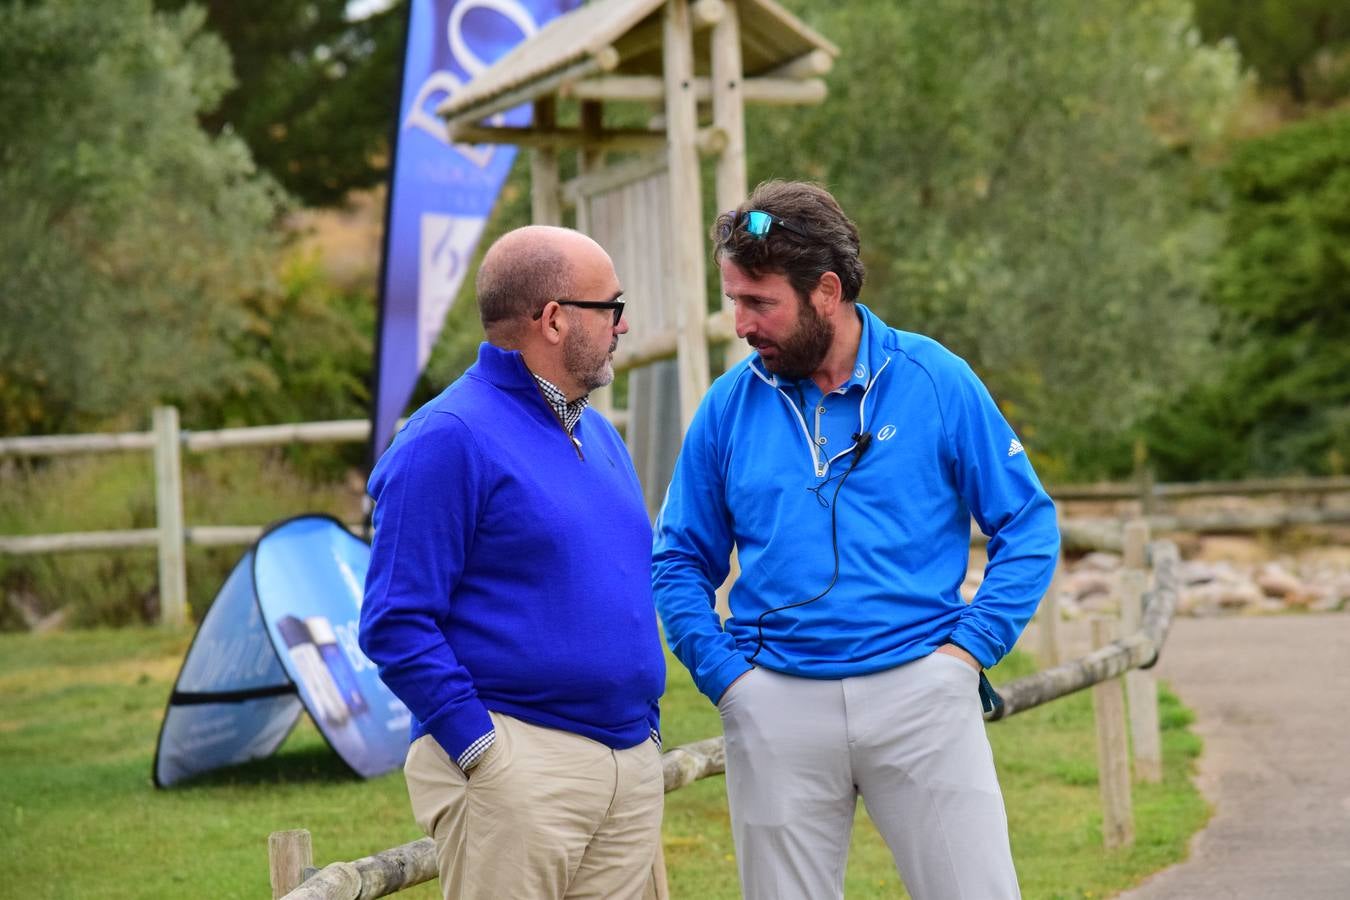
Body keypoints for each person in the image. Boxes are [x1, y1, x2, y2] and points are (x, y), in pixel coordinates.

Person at [652, 181, 1060, 900]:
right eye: (734, 300)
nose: (741, 324)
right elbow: (680, 557)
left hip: (923, 694)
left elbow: (1027, 522)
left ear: (827, 291)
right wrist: (726, 678)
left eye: (760, 302)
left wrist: (967, 654)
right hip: (771, 702)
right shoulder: (724, 408)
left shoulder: (937, 379)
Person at [359, 225, 666, 900]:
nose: (623, 324)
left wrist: (644, 734)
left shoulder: (597, 429)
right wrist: (483, 751)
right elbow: (394, 622)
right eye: (610, 307)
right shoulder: (447, 439)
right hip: (520, 765)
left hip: (627, 760)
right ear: (554, 319)